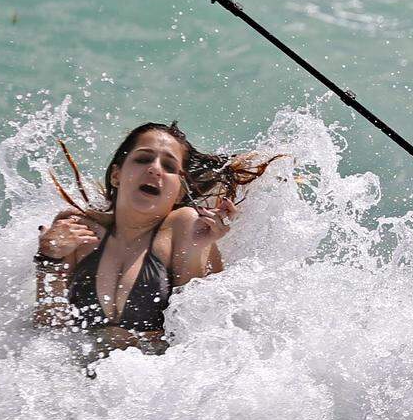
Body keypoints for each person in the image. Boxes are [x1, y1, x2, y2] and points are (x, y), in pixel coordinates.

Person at [33, 121, 273, 355]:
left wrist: (198, 249)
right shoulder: (76, 228)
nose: (155, 169)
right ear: (117, 174)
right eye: (143, 159)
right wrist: (48, 259)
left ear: (180, 189)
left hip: (153, 385)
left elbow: (200, 339)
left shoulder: (183, 227)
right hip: (74, 381)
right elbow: (48, 331)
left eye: (169, 166)